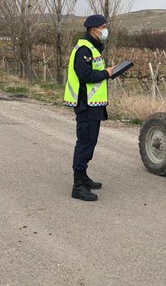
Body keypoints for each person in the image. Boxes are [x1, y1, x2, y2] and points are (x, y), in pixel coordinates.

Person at [64, 14, 115, 202]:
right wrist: (106, 73)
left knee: (90, 141)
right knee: (85, 142)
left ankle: (83, 177)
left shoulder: (93, 48)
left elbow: (93, 73)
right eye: (103, 27)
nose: (105, 30)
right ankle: (78, 186)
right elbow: (85, 75)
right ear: (94, 29)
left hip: (93, 104)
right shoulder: (84, 49)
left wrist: (108, 72)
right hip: (85, 104)